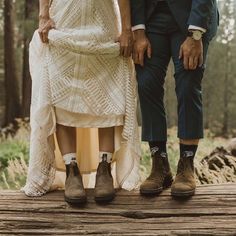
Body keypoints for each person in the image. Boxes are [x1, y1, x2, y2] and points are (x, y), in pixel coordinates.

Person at [22, 0, 140, 204]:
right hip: (64, 18)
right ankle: (71, 169)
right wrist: (43, 16)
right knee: (62, 94)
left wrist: (127, 28)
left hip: (103, 21)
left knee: (107, 91)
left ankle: (105, 169)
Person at [131, 0, 218, 197]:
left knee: (188, 86)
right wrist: (138, 30)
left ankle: (186, 165)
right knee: (146, 85)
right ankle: (159, 164)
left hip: (192, 20)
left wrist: (195, 34)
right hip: (151, 17)